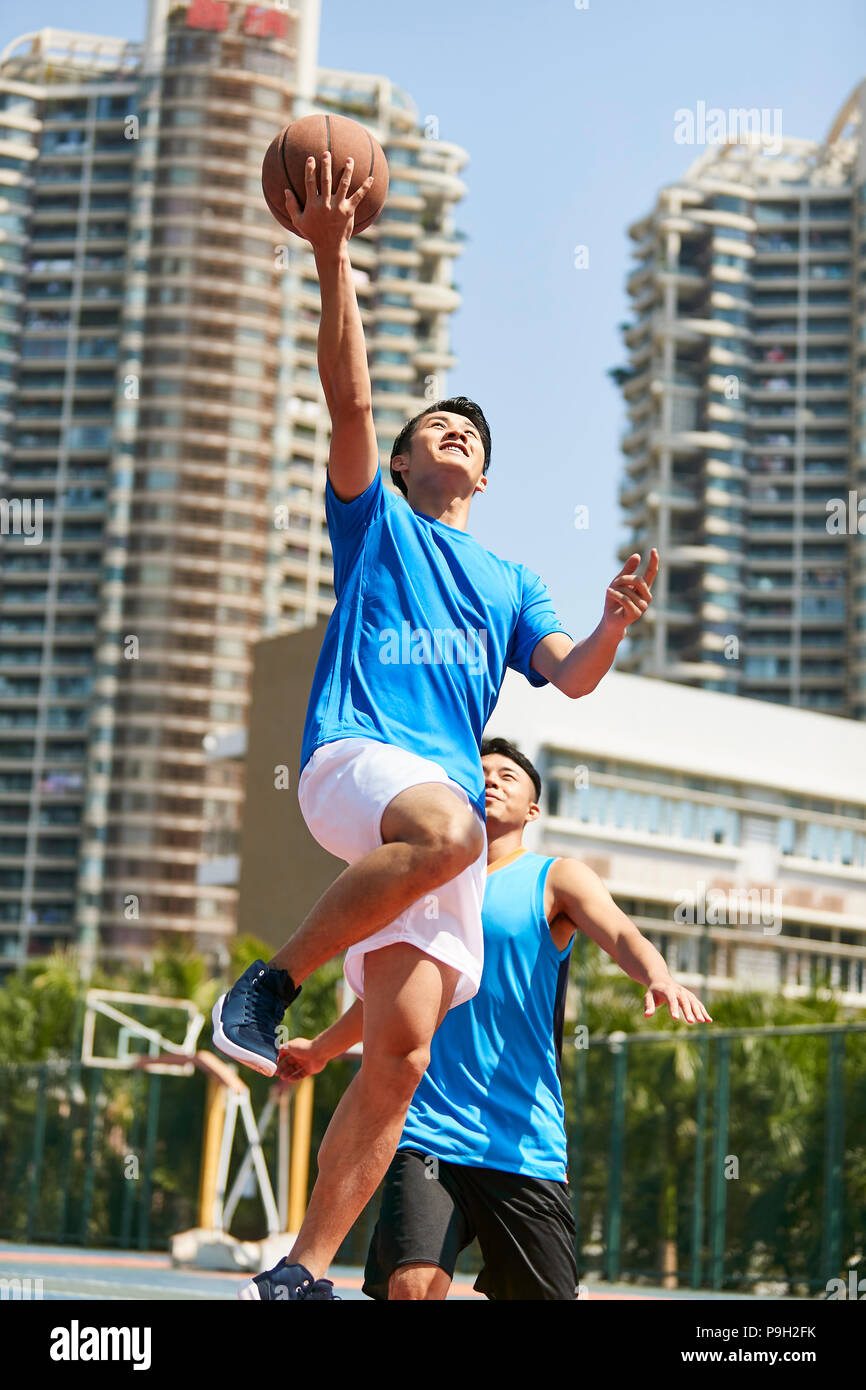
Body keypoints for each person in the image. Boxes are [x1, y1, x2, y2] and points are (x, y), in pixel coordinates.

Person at [213, 152, 659, 1301]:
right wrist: (329, 254)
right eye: (433, 426)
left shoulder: (510, 577)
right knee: (456, 832)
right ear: (403, 459)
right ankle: (269, 984)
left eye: (469, 430)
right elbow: (348, 394)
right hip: (362, 758)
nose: (452, 430)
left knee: (403, 1054)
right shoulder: (371, 523)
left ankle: (297, 1269)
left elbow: (570, 678)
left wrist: (610, 623)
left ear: (480, 469)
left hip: (433, 819)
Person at [275, 739, 711, 1300]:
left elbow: (622, 932)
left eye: (509, 774)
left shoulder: (555, 879)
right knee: (410, 1288)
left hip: (524, 1140)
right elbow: (397, 1001)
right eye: (480, 771)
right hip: (428, 1130)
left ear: (533, 808)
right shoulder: (429, 885)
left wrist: (657, 975)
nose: (492, 779)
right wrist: (323, 1050)